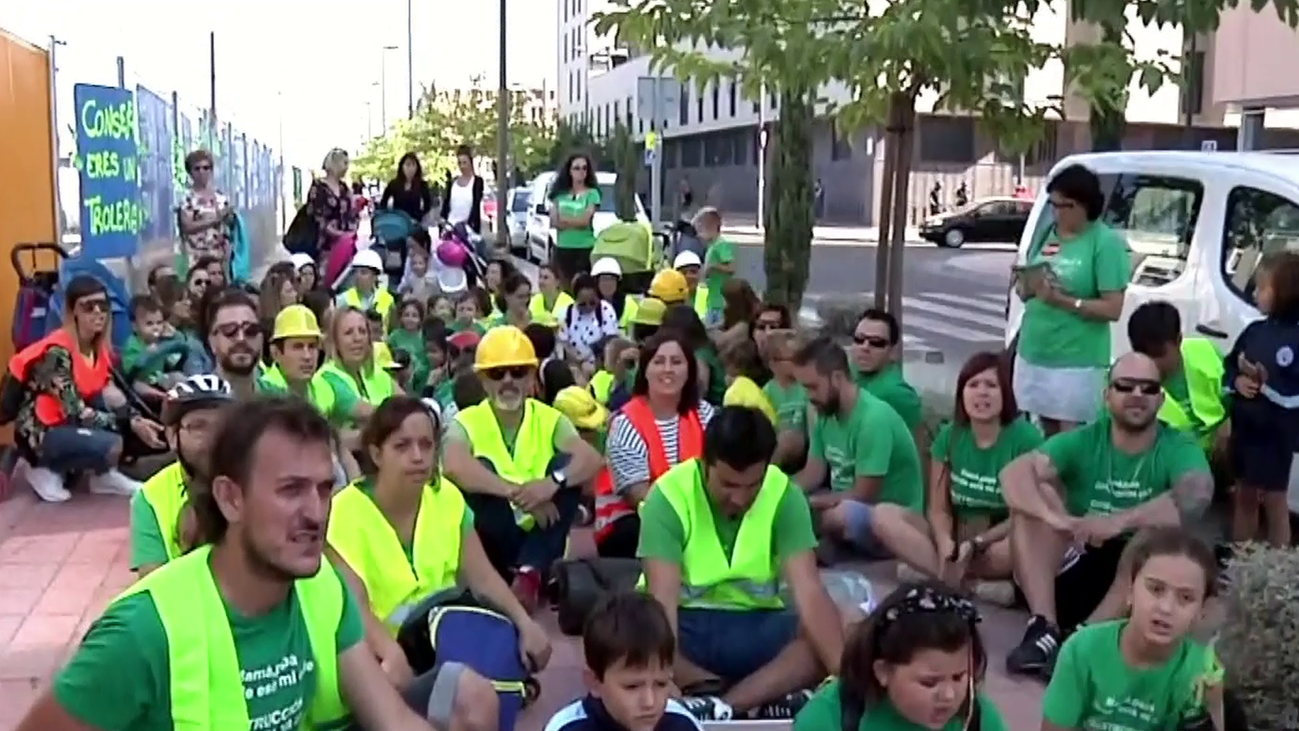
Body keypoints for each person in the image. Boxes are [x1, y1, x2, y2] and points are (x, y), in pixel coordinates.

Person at [16, 398, 451, 731]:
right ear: (230, 498)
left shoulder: (322, 588)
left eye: (322, 489)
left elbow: (393, 720)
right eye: (291, 490)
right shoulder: (142, 631)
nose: (317, 512)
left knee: (465, 691)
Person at [326, 397, 551, 730]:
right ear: (376, 454)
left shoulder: (446, 497)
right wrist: (390, 652)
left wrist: (525, 623)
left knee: (485, 680)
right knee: (472, 697)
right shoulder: (342, 511)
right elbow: (352, 604)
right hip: (381, 663)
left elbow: (483, 577)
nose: (417, 457)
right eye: (402, 446)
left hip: (442, 643)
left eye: (426, 445)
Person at [998, 352, 1215, 679]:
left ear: (1161, 398)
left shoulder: (1176, 445)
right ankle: (1043, 629)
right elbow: (1013, 474)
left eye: (1148, 388)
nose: (1137, 395)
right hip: (1079, 560)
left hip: (1135, 584)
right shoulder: (1086, 439)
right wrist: (1058, 519)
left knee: (1155, 535)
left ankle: (1081, 642)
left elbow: (1197, 494)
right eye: (1125, 386)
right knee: (1033, 502)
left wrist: (1118, 521)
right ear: (1107, 395)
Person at [638, 405, 844, 721]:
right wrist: (664, 677)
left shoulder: (784, 495)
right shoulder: (668, 497)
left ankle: (722, 707)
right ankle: (751, 694)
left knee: (844, 628)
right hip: (684, 630)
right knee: (629, 637)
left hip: (758, 627)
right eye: (729, 485)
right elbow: (661, 606)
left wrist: (845, 683)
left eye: (752, 485)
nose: (740, 498)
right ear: (705, 465)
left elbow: (810, 593)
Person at [442, 326, 604, 610]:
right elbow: (454, 466)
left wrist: (552, 483)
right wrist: (519, 495)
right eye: (497, 373)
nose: (508, 381)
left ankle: (529, 571)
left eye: (518, 372)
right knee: (478, 471)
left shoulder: (550, 418)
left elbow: (590, 459)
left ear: (531, 376)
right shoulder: (466, 421)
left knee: (566, 467)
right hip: (497, 533)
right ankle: (527, 574)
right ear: (482, 379)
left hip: (543, 532)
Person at [870, 352, 1041, 604]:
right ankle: (968, 584)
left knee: (1027, 539)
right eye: (973, 385)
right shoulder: (949, 436)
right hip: (956, 535)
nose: (982, 393)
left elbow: (1025, 513)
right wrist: (944, 541)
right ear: (961, 393)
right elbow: (938, 508)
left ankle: (935, 576)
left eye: (991, 386)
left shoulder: (1026, 439)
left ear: (1006, 393)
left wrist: (979, 542)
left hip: (996, 540)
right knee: (882, 515)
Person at [1041, 528, 1225, 731]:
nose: (1165, 608)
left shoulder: (1199, 674)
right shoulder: (1081, 650)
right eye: (1155, 589)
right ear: (1129, 591)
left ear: (1202, 610)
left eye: (1186, 598)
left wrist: (1213, 705)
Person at [9, 276, 164, 502]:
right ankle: (41, 468)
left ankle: (102, 476)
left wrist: (136, 419)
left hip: (68, 423)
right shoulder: (57, 353)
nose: (98, 312)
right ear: (73, 312)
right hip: (41, 432)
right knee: (112, 441)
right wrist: (128, 424)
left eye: (103, 305)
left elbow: (111, 392)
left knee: (116, 403)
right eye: (88, 306)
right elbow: (75, 410)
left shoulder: (99, 348)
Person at [792, 581, 1009, 731]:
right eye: (930, 682)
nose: (949, 695)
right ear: (883, 671)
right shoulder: (831, 717)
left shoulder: (977, 718)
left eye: (959, 677)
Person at [1013, 163, 1130, 435]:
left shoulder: (1104, 242)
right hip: (1035, 351)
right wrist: (1025, 285)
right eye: (1052, 204)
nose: (1054, 212)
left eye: (1061, 205)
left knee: (1072, 437)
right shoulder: (1048, 233)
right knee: (1038, 433)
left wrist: (1063, 301)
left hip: (1076, 361)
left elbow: (1113, 308)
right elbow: (1031, 280)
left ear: (1081, 206)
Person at [790, 337, 924, 562]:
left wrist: (810, 504)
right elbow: (813, 471)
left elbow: (864, 494)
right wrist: (781, 490)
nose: (808, 396)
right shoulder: (824, 411)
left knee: (841, 514)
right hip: (845, 503)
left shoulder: (873, 419)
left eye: (812, 387)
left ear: (837, 378)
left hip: (890, 521)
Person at [598, 332, 715, 558]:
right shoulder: (626, 423)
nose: (668, 369)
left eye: (677, 362)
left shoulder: (705, 414)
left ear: (689, 370)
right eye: (659, 362)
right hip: (635, 517)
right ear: (645, 371)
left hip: (697, 510)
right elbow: (640, 496)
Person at [1224, 250, 1299, 547]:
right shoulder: (1254, 331)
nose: (1255, 293)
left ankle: (1278, 569)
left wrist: (1266, 386)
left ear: (1286, 292)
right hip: (1246, 432)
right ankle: (1241, 561)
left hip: (1275, 437)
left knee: (1274, 501)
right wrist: (1237, 380)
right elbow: (1229, 366)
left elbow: (1292, 397)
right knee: (1243, 494)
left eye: (1262, 287)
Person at [544, 592, 705, 731]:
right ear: (594, 681)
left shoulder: (684, 724)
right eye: (632, 687)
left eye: (661, 684)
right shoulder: (567, 728)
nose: (649, 702)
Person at [130, 374, 233, 577]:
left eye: (223, 426)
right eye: (199, 427)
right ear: (172, 436)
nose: (213, 439)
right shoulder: (151, 497)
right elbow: (152, 585)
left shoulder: (255, 480)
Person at [1127, 301, 1228, 455]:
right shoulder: (1124, 387)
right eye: (1144, 356)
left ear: (1179, 340)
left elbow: (1231, 393)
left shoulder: (1206, 351)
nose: (1153, 364)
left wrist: (1228, 422)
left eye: (1159, 355)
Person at [850, 309, 924, 439]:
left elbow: (917, 447)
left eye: (876, 342)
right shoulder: (848, 372)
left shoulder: (898, 394)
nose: (865, 347)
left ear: (893, 351)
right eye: (859, 339)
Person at [318, 307, 398, 419]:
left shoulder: (378, 374)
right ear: (335, 341)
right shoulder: (327, 377)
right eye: (348, 333)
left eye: (362, 331)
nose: (357, 338)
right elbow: (368, 413)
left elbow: (407, 406)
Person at [177, 148, 233, 272]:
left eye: (206, 168)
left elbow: (229, 226)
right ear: (190, 172)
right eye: (197, 168)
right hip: (196, 258)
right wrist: (214, 220)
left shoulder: (220, 197)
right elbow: (187, 227)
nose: (202, 172)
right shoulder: (187, 199)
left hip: (219, 258)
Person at [550, 152, 602, 284]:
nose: (581, 172)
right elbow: (555, 222)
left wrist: (565, 219)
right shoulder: (559, 194)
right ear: (569, 171)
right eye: (577, 168)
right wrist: (575, 220)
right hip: (563, 248)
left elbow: (585, 221)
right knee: (564, 287)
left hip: (584, 249)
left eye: (584, 168)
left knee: (583, 286)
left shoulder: (592, 194)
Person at [122, 295, 186, 401]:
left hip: (159, 377)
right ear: (135, 326)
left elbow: (172, 360)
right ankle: (161, 396)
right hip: (141, 380)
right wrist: (145, 354)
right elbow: (129, 370)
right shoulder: (133, 344)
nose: (155, 327)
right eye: (149, 324)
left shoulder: (162, 340)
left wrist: (175, 336)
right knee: (137, 385)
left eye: (159, 323)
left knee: (178, 376)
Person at [204, 288, 265, 398]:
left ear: (261, 338)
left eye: (250, 330)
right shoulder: (197, 404)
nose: (241, 338)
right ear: (212, 341)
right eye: (229, 330)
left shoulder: (280, 401)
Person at [761, 331, 809, 471]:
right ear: (773, 364)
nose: (801, 364)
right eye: (795, 359)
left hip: (806, 451)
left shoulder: (805, 387)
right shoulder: (767, 393)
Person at [309, 147, 361, 264]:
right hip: (324, 246)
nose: (347, 167)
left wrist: (351, 231)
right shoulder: (319, 188)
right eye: (345, 163)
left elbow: (352, 212)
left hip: (345, 245)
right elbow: (316, 216)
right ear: (334, 163)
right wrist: (334, 232)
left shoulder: (344, 188)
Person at [562, 273, 621, 373]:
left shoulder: (605, 310)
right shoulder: (566, 313)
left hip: (601, 367)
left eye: (592, 302)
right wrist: (578, 360)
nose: (588, 307)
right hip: (576, 367)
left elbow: (611, 341)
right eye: (582, 304)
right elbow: (563, 343)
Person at [695, 208, 735, 329]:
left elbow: (731, 267)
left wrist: (713, 267)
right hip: (712, 300)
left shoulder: (721, 245)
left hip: (719, 301)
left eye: (701, 229)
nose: (699, 234)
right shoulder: (712, 246)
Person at [337, 248, 396, 330]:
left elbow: (392, 329)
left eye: (363, 272)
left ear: (375, 276)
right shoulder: (342, 299)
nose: (358, 276)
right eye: (355, 272)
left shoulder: (388, 300)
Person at [440, 144, 486, 235]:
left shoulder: (477, 182)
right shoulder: (453, 183)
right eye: (459, 163)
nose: (462, 166)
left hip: (469, 231)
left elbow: (476, 205)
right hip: (450, 229)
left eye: (465, 162)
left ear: (470, 162)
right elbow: (446, 205)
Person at [380, 151, 436, 223]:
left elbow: (427, 205)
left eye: (413, 165)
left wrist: (420, 217)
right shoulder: (394, 184)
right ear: (402, 166)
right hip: (398, 223)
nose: (410, 168)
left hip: (416, 223)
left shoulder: (422, 185)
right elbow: (383, 203)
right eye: (408, 165)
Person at [530, 263, 575, 328]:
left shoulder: (569, 304)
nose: (541, 281)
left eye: (546, 278)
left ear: (557, 282)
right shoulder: (533, 301)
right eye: (540, 277)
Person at [671, 251, 708, 317]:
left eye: (693, 272)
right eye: (684, 273)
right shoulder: (669, 296)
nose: (689, 276)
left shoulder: (707, 295)